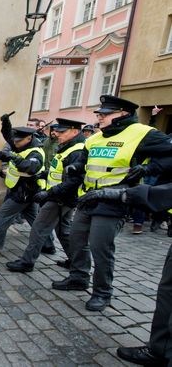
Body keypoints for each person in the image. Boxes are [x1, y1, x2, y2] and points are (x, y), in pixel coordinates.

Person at [52, 95, 172, 311]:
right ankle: (78, 278)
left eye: (105, 114)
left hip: (115, 198)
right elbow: (84, 160)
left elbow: (169, 154)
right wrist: (76, 167)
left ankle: (102, 292)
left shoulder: (142, 133)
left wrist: (149, 168)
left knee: (100, 247)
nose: (100, 117)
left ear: (123, 114)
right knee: (77, 240)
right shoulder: (95, 137)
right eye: (99, 114)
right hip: (88, 197)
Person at [79, 183, 172, 366]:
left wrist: (123, 194)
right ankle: (159, 349)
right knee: (167, 294)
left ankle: (102, 292)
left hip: (113, 205)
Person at [5, 118, 86, 272]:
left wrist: (48, 194)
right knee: (63, 232)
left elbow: (73, 180)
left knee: (39, 228)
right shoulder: (69, 146)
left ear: (75, 132)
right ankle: (75, 262)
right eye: (56, 130)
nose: (56, 133)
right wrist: (43, 174)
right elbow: (59, 170)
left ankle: (27, 262)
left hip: (60, 198)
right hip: (62, 197)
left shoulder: (76, 151)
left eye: (61, 131)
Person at [0, 113, 49, 255]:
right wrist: (5, 122)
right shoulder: (22, 145)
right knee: (36, 221)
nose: (15, 143)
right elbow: (8, 136)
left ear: (29, 138)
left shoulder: (35, 152)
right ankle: (48, 244)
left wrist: (11, 156)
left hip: (25, 191)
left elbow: (30, 167)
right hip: (25, 190)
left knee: (3, 215)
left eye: (18, 141)